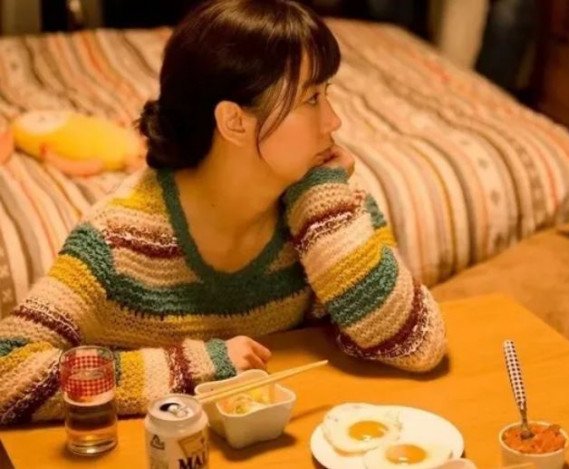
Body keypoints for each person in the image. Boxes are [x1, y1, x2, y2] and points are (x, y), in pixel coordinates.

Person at [0, 0, 446, 424]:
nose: (334, 121)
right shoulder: (118, 239)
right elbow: (8, 372)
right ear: (234, 121)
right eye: (311, 99)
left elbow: (417, 343)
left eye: (327, 94)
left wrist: (321, 201)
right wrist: (193, 366)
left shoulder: (327, 206)